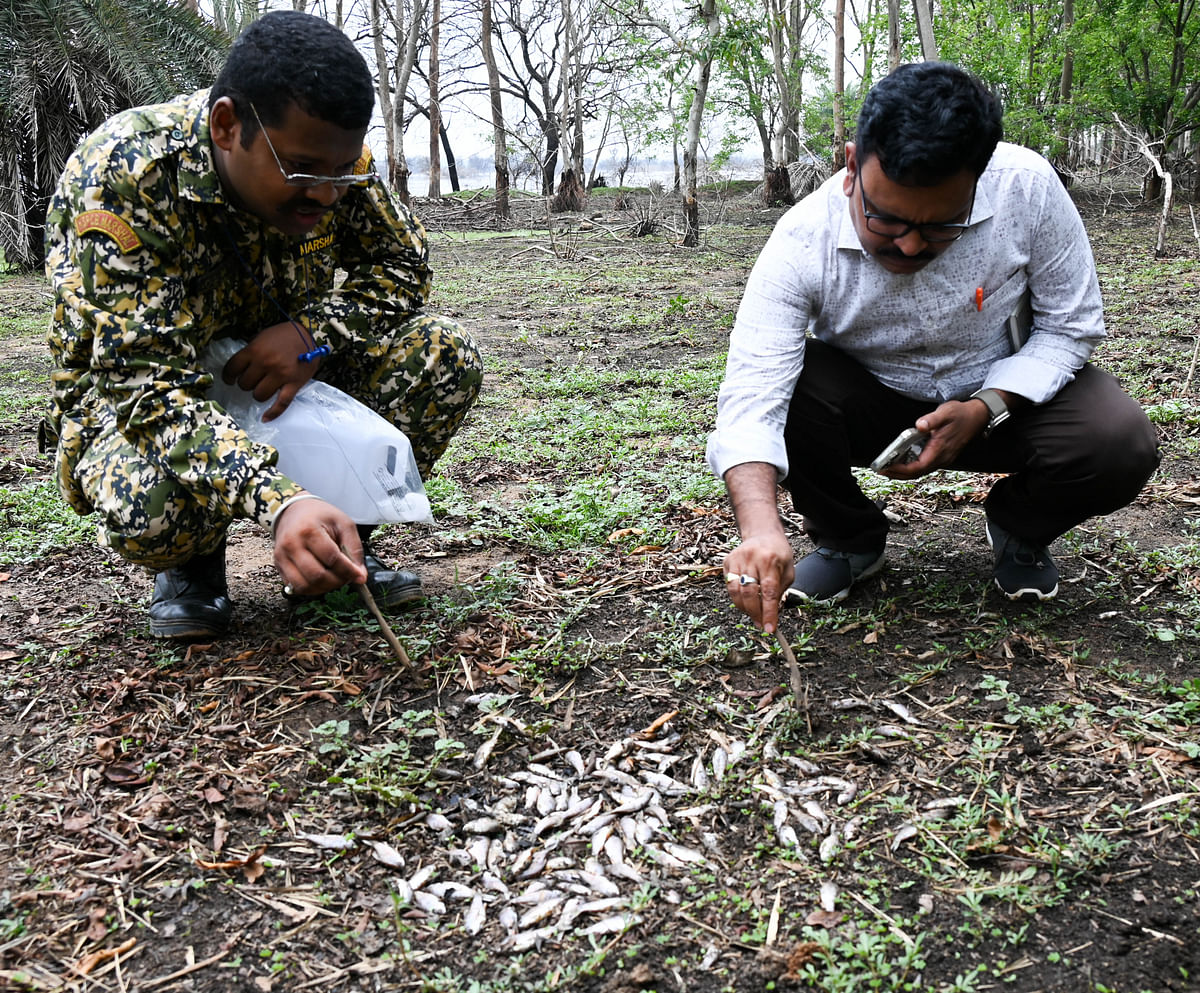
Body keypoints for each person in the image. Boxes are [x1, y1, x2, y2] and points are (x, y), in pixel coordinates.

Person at [42, 11, 483, 641]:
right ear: (228, 126)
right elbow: (145, 388)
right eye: (305, 174)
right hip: (154, 393)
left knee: (442, 352)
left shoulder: (328, 156)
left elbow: (402, 266)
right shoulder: (124, 175)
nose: (327, 195)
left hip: (283, 375)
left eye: (342, 174)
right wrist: (279, 499)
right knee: (151, 507)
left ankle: (335, 548)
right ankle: (193, 568)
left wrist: (313, 337)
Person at [707, 61, 1158, 634]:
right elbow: (751, 395)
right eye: (888, 219)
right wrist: (760, 529)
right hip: (873, 404)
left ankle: (1019, 525)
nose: (912, 244)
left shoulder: (1028, 187)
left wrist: (986, 406)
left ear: (980, 176)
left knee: (1118, 441)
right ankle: (850, 542)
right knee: (794, 388)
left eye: (944, 223)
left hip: (1003, 404)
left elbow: (1071, 327)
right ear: (852, 167)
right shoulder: (801, 241)